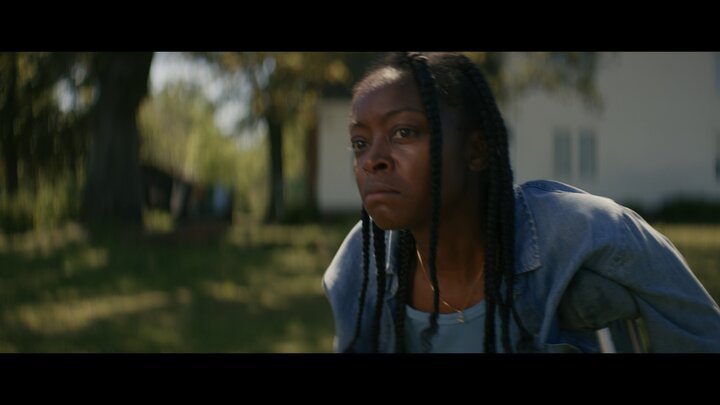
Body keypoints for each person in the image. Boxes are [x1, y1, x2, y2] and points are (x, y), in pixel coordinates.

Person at [322, 52, 720, 353]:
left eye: (403, 132)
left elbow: (703, 335)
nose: (372, 159)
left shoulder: (591, 235)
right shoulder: (357, 268)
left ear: (476, 151)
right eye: (360, 142)